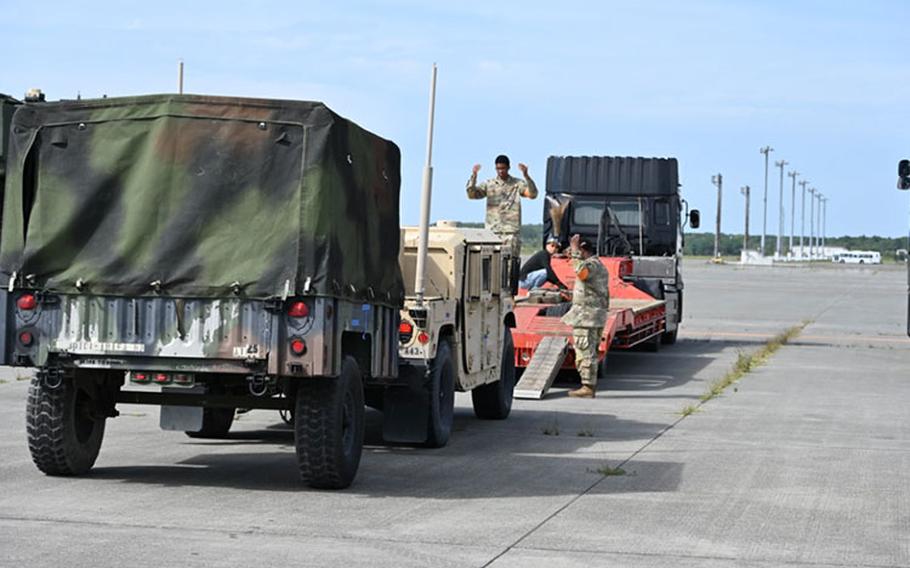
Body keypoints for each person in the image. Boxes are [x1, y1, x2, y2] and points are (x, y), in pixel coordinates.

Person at [561, 234, 610, 398]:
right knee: (591, 351)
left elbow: (582, 273)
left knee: (584, 351)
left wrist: (575, 252)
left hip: (587, 317)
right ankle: (589, 385)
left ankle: (587, 387)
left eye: (577, 250)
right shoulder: (598, 264)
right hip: (592, 315)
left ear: (583, 250)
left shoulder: (592, 265)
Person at [466, 154, 538, 258]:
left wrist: (526, 176)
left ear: (508, 168)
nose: (500, 171)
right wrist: (474, 176)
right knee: (492, 265)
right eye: (498, 168)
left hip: (510, 232)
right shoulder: (489, 184)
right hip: (492, 232)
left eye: (503, 168)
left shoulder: (517, 184)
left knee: (510, 264)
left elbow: (533, 194)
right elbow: (471, 195)